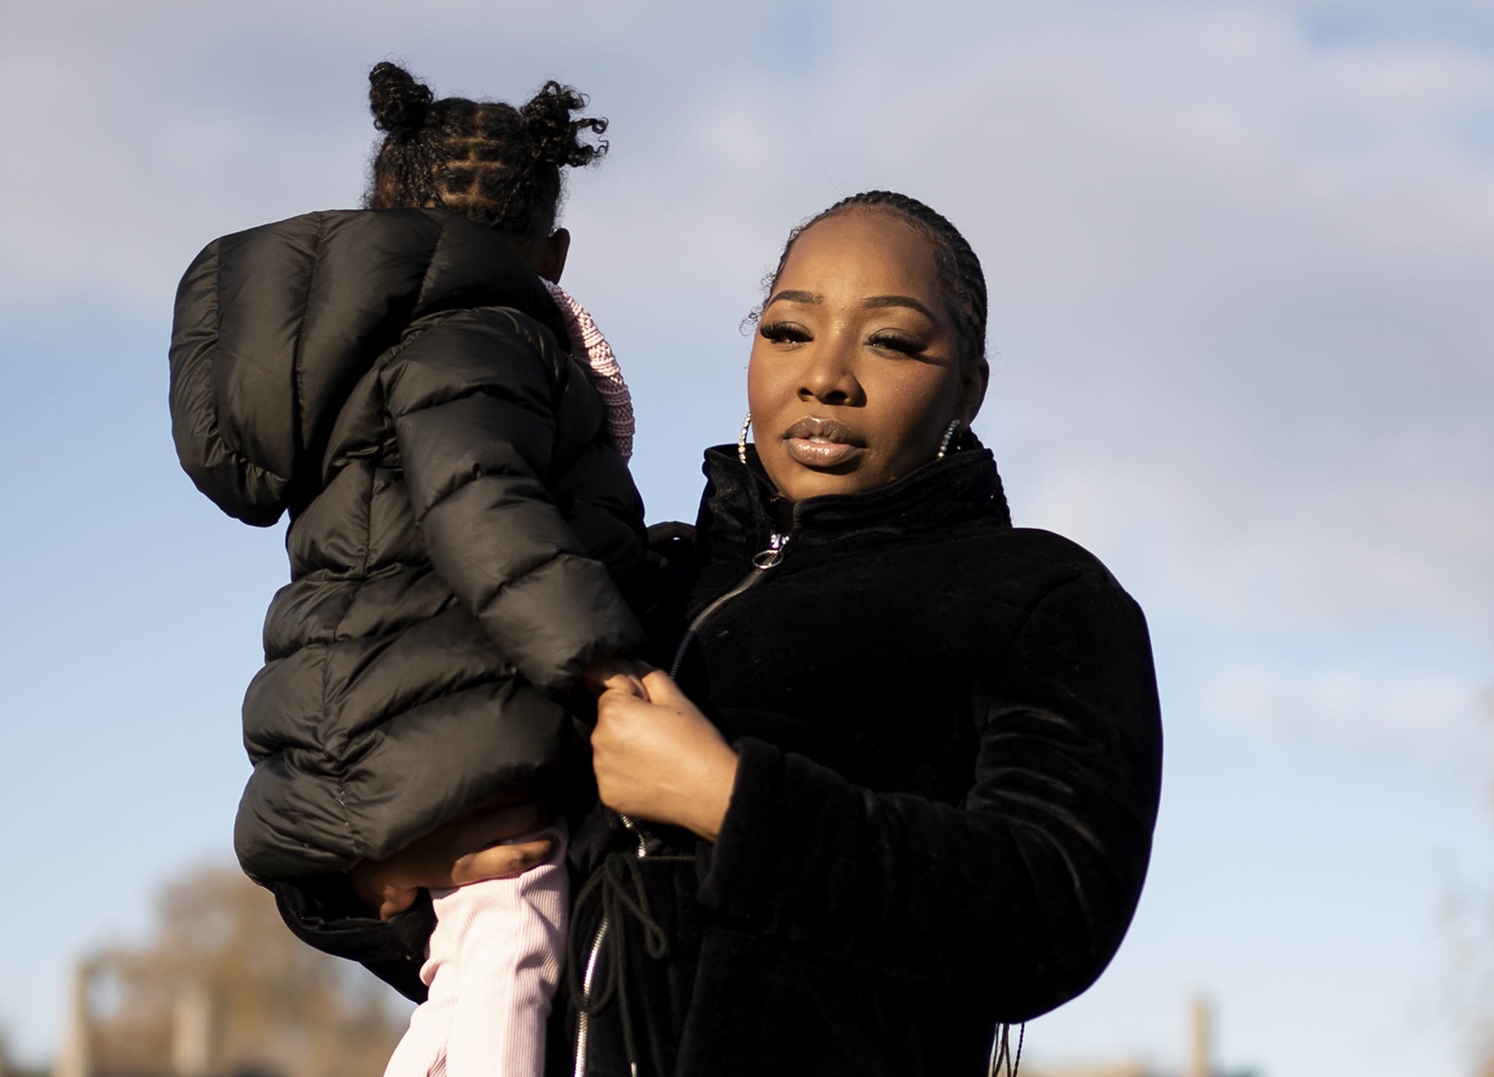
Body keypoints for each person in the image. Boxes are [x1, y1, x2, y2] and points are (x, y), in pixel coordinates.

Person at [563, 191, 1165, 1076]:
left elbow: (1052, 909)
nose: (826, 377)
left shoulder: (1044, 597)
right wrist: (365, 885)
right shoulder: (647, 584)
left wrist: (731, 802)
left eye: (889, 340)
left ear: (969, 385)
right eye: (788, 332)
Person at [168, 61, 649, 1077]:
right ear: (553, 253)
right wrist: (606, 666)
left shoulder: (361, 358)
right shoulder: (486, 329)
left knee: (479, 961)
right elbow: (483, 497)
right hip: (442, 724)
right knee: (515, 930)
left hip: (364, 717)